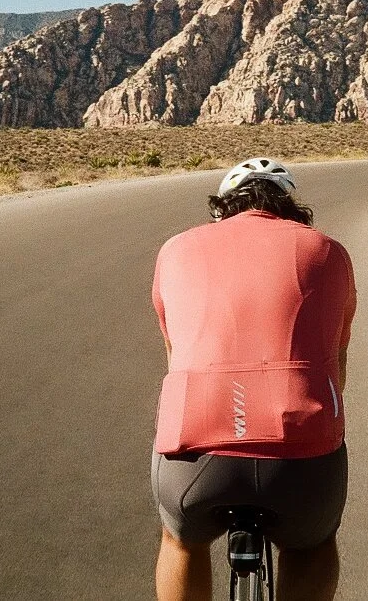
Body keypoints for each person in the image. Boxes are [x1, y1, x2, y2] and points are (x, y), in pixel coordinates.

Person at [150, 157, 356, 601]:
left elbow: (174, 354)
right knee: (312, 545)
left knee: (180, 540)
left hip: (196, 453)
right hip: (300, 456)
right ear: (290, 208)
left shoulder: (176, 248)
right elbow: (337, 360)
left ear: (222, 209)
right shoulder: (326, 251)